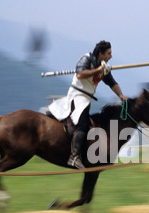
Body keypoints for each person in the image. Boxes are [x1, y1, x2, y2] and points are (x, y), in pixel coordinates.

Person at [48, 41, 127, 169]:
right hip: (77, 95)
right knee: (83, 125)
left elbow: (112, 83)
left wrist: (121, 95)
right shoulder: (86, 58)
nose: (111, 56)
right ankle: (74, 157)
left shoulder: (104, 67)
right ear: (101, 54)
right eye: (109, 53)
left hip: (86, 99)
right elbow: (80, 74)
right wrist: (98, 70)